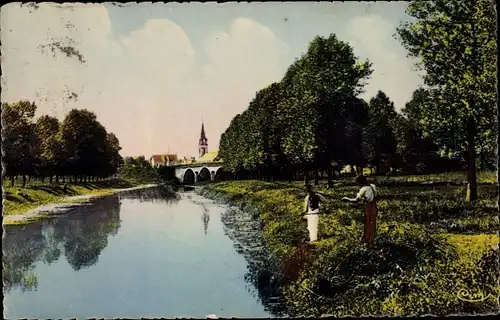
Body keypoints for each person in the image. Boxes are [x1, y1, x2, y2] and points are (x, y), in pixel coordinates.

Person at [342, 175, 378, 245]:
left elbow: (356, 200)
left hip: (368, 207)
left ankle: (368, 240)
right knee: (372, 223)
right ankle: (370, 239)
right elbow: (375, 196)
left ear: (361, 183)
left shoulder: (363, 189)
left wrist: (347, 199)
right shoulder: (373, 186)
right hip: (374, 206)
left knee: (368, 223)